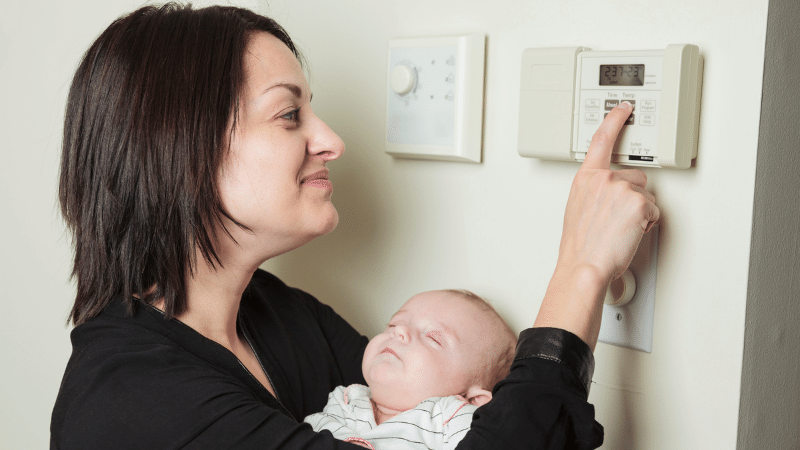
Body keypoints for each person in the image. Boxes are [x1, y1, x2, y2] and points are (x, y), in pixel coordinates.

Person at [51, 3, 659, 450]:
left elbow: (463, 419)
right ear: (182, 153)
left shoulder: (281, 316)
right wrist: (582, 266)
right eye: (290, 114)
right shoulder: (135, 405)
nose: (333, 141)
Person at [304, 289, 517, 450]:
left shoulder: (449, 417)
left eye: (433, 338)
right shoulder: (347, 399)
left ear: (472, 399)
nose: (400, 332)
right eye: (393, 325)